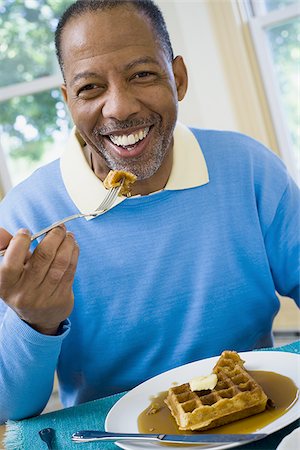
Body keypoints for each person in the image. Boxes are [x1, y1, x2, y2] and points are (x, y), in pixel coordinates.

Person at [0, 0, 299, 424]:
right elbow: (7, 409)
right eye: (90, 88)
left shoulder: (248, 167)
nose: (119, 108)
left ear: (178, 78)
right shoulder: (27, 217)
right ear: (68, 101)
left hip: (263, 420)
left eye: (141, 75)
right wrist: (36, 323)